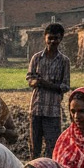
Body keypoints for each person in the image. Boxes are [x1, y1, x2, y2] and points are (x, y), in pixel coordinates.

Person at [26, 23, 70, 158]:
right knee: (35, 147)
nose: (52, 41)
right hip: (36, 109)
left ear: (61, 38)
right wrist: (35, 82)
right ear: (44, 38)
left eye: (56, 38)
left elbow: (65, 86)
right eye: (50, 38)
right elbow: (29, 78)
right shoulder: (37, 58)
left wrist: (45, 84)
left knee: (53, 147)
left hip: (53, 111)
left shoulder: (64, 61)